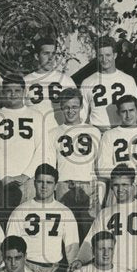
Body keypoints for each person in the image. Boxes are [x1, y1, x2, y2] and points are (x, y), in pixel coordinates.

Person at [80, 165, 137, 272]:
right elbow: (90, 242)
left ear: (133, 186)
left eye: (124, 184)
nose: (120, 189)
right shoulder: (105, 213)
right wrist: (79, 260)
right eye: (116, 185)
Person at [0, 74, 46, 216]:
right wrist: (5, 176)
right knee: (3, 225)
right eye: (9, 90)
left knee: (29, 225)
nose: (13, 94)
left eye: (17, 90)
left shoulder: (36, 116)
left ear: (24, 92)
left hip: (29, 180)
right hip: (2, 181)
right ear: (3, 92)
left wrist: (26, 175)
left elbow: (42, 148)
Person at [6, 164, 81, 272]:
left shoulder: (65, 212)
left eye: (49, 182)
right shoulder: (20, 211)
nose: (44, 186)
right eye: (40, 181)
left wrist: (72, 265)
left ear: (56, 186)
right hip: (27, 267)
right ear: (34, 183)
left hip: (53, 270)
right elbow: (10, 243)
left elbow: (71, 246)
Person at [48, 87, 102, 234]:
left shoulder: (94, 131)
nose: (70, 111)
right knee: (66, 232)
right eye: (66, 107)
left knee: (90, 232)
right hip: (64, 185)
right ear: (61, 108)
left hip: (89, 186)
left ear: (81, 107)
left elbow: (98, 163)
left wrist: (99, 190)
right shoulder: (54, 133)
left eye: (74, 107)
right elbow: (52, 165)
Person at [96, 94, 137, 205]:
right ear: (118, 113)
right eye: (123, 111)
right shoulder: (109, 135)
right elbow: (102, 168)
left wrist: (132, 181)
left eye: (131, 110)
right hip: (117, 188)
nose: (128, 115)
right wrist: (132, 173)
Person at [79, 35, 137, 130]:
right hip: (98, 132)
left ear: (114, 55)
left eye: (108, 55)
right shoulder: (87, 82)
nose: (104, 59)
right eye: (100, 56)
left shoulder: (128, 80)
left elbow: (133, 111)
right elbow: (82, 115)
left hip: (121, 131)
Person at [24, 36, 77, 124]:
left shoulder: (65, 80)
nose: (50, 58)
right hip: (35, 134)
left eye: (53, 54)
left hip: (59, 133)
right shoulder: (25, 82)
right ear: (37, 56)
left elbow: (77, 109)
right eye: (46, 53)